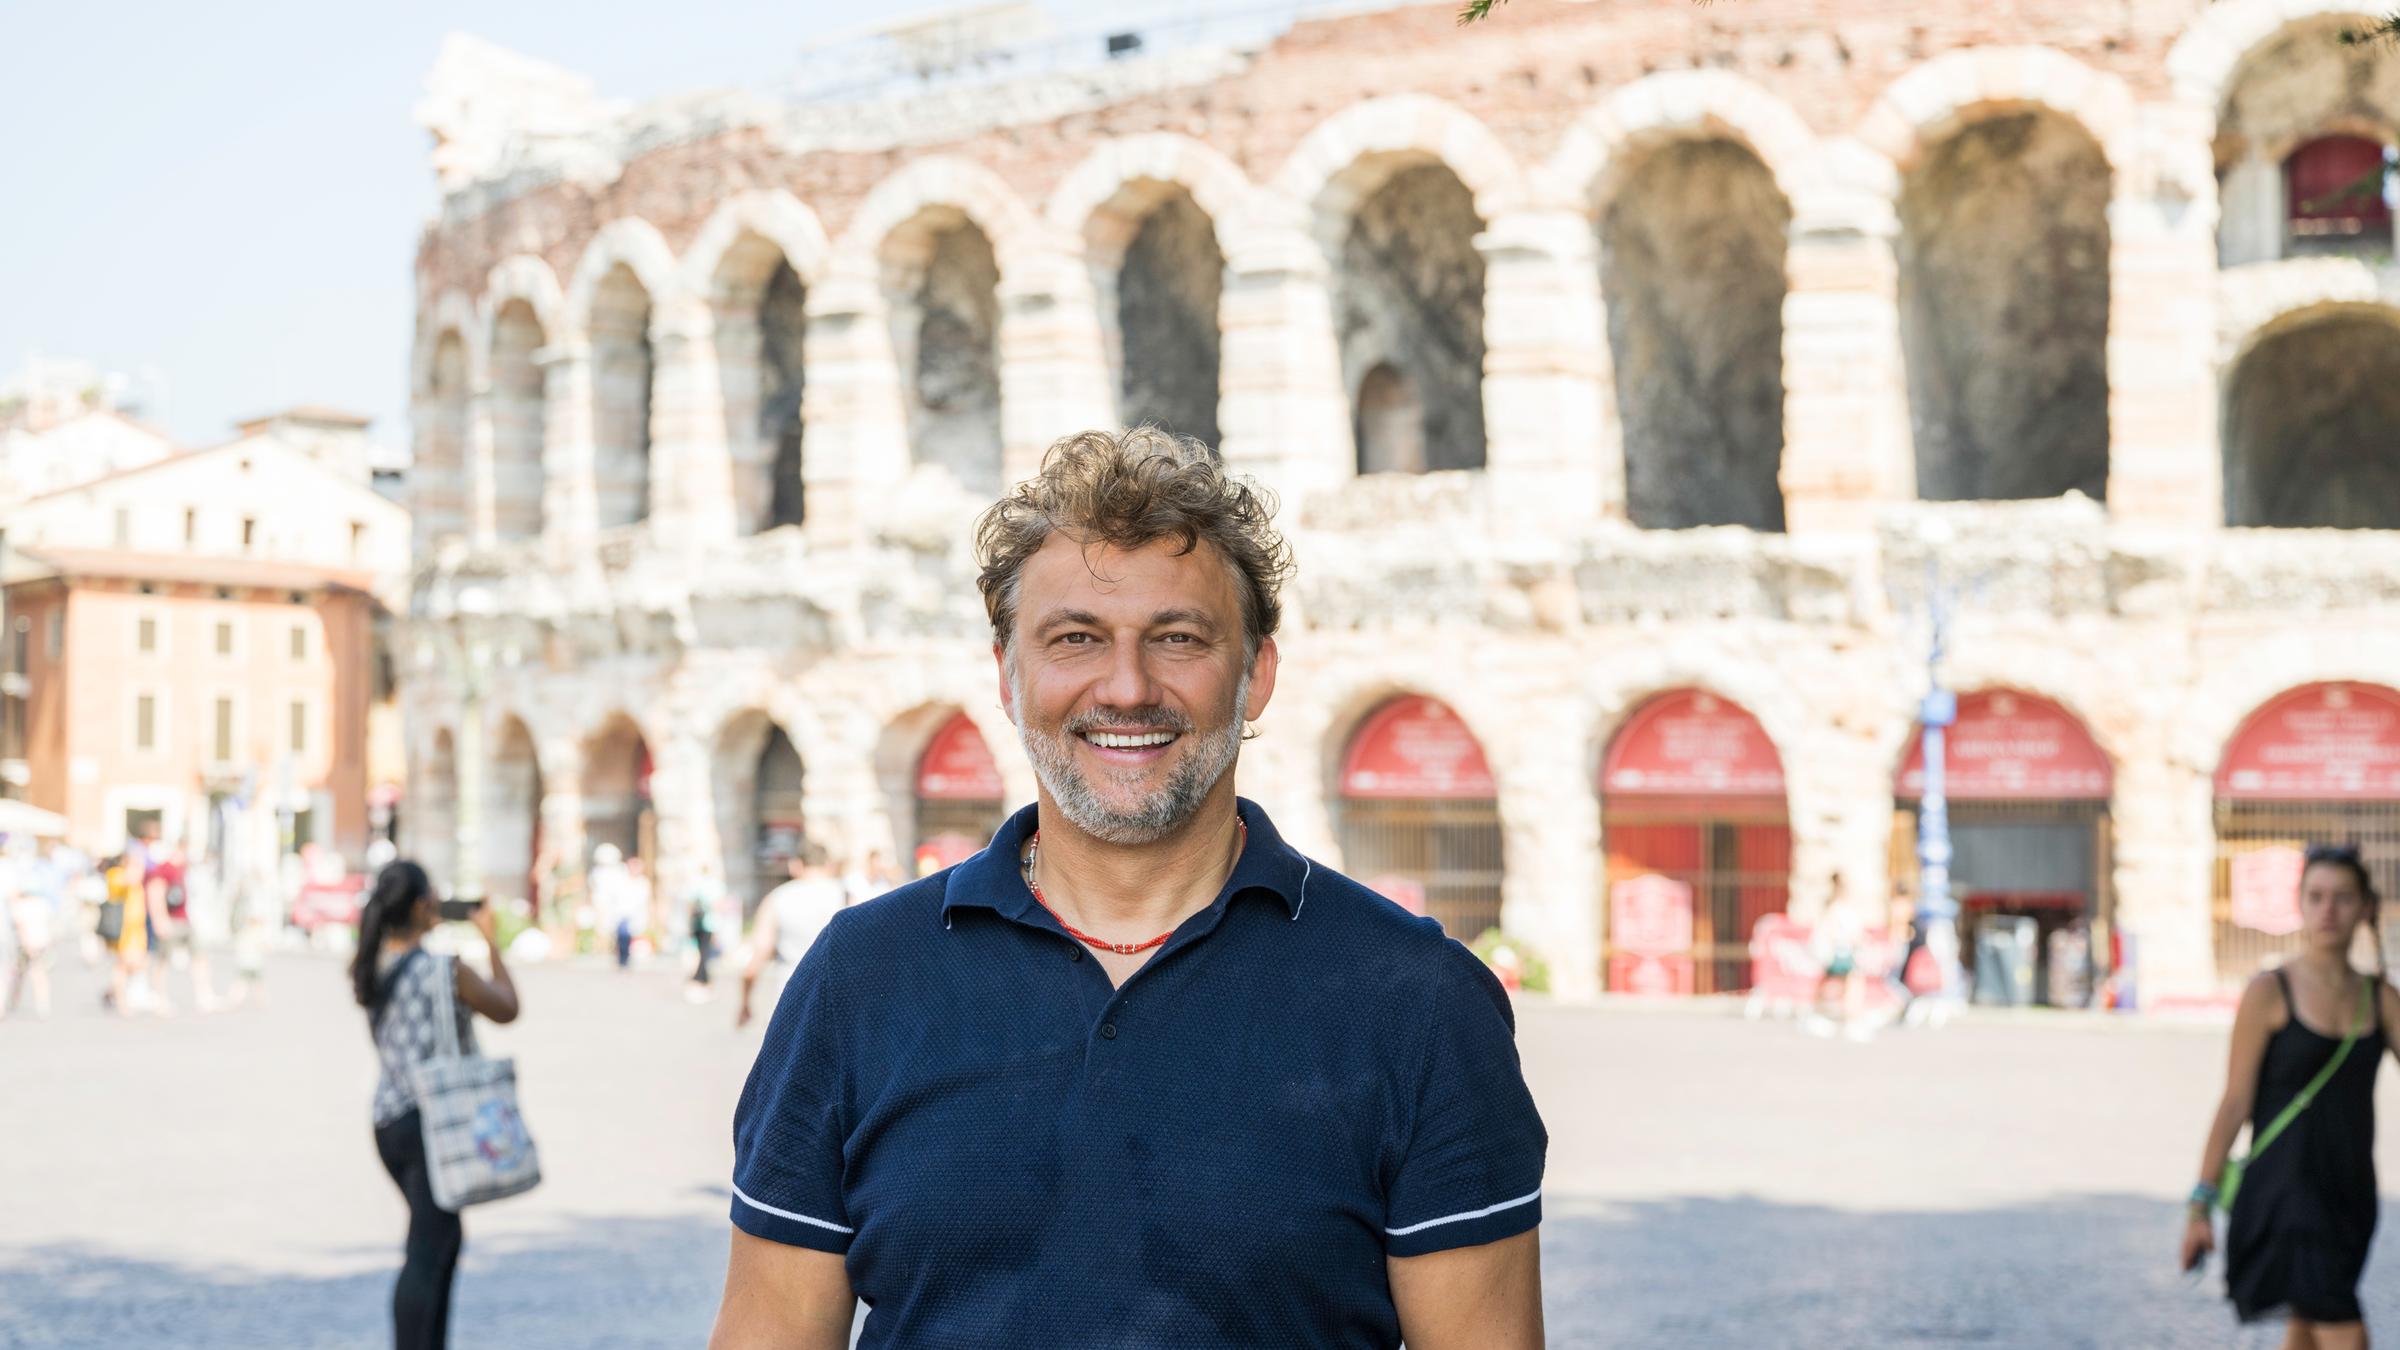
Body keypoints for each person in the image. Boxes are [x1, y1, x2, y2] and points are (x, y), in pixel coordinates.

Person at [712, 429, 1547, 1349]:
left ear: (1256, 674)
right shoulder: (857, 979)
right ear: (1008, 674)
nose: (1127, 686)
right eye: (1075, 639)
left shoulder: (1420, 1003)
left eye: (1178, 638)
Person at [2184, 843, 2397, 1347]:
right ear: (2299, 903)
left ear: (2366, 907)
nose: (2328, 910)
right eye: (2316, 896)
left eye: (2343, 897)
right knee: (2347, 1333)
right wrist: (2200, 1204)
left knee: (2304, 1331)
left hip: (2350, 1196)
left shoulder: (2381, 998)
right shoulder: (2270, 991)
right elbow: (2235, 1101)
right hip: (2284, 1196)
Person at [351, 860, 520, 1350]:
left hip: (389, 1121)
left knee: (440, 1240)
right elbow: (507, 1008)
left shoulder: (372, 962)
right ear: (425, 905)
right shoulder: (445, 969)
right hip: (433, 1122)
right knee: (428, 1250)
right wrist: (491, 941)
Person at [734, 843, 845, 1030]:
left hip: (792, 997)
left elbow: (757, 957)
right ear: (828, 865)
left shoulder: (778, 898)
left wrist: (745, 1002)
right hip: (841, 999)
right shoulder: (847, 895)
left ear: (795, 865)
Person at [5, 840, 57, 1020]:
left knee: (17, 973)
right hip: (38, 942)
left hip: (26, 943)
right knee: (36, 974)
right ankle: (42, 1005)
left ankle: (12, 1001)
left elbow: (19, 925)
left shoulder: (21, 906)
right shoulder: (41, 904)